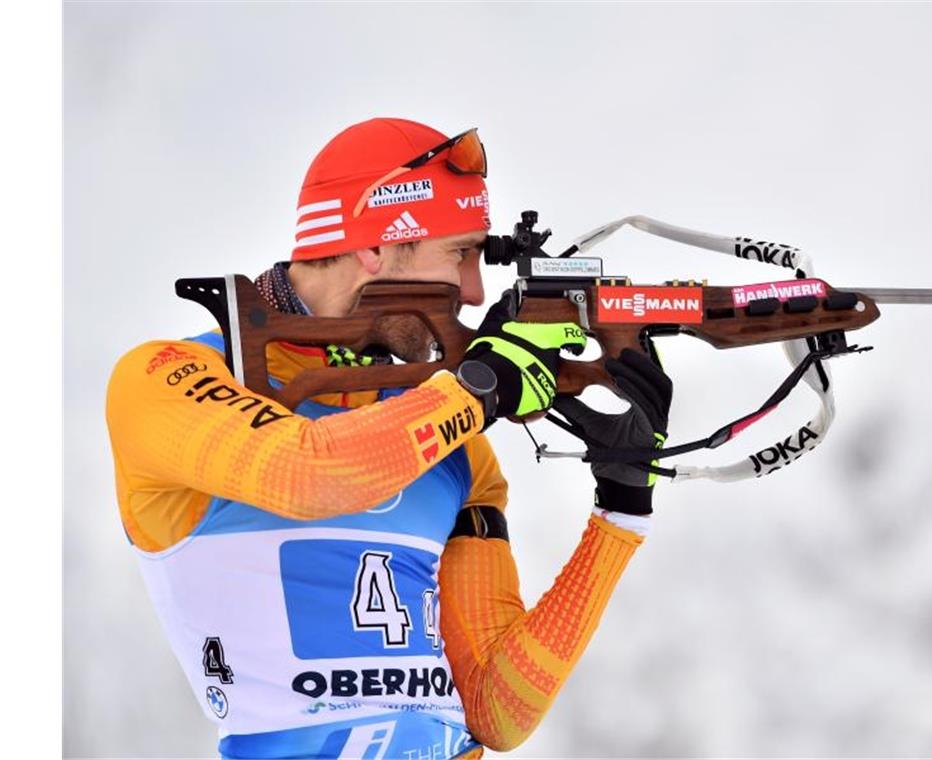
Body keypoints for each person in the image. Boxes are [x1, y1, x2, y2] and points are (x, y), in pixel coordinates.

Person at [105, 117, 672, 759]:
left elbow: (498, 708)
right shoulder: (166, 379)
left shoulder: (450, 440)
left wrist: (621, 508)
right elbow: (313, 471)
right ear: (374, 248)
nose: (474, 291)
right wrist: (482, 388)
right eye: (459, 253)